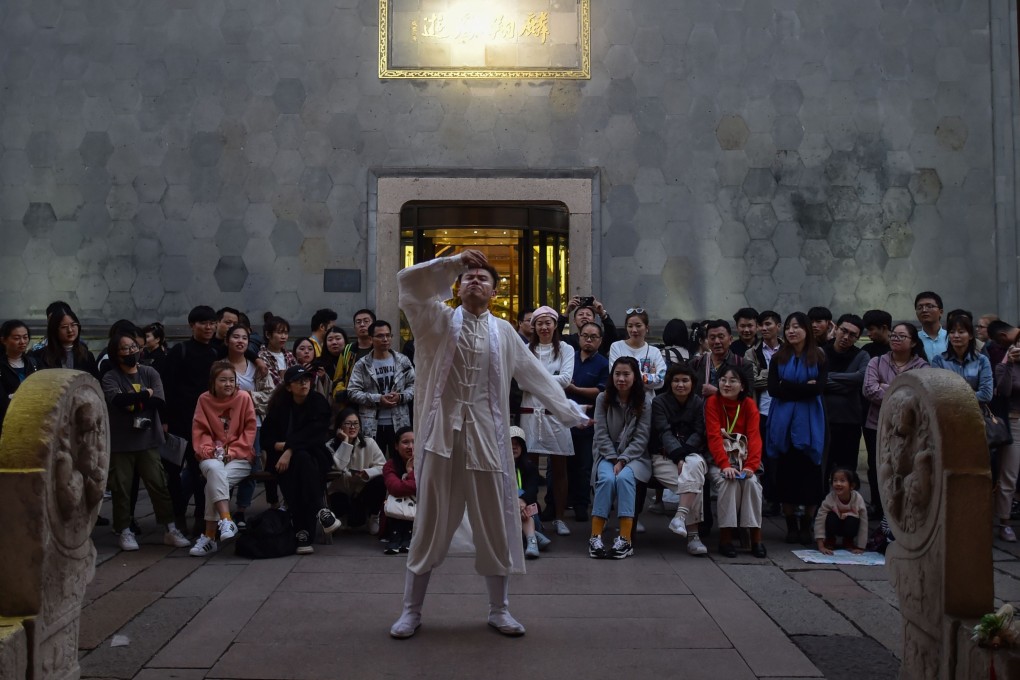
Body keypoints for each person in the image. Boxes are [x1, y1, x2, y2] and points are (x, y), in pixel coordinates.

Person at [391, 249, 589, 639]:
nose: (475, 281)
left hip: (487, 440)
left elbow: (535, 376)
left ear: (496, 292)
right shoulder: (435, 320)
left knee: (497, 523)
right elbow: (408, 284)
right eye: (468, 277)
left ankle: (499, 610)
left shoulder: (504, 332)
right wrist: (453, 262)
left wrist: (569, 412)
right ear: (457, 287)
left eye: (483, 278)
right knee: (429, 522)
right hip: (440, 440)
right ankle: (411, 611)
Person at [101, 332, 190, 552]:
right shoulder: (111, 377)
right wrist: (144, 397)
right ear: (115, 353)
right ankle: (124, 530)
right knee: (122, 488)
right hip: (122, 443)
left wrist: (138, 400)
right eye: (125, 348)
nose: (131, 352)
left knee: (158, 484)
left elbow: (159, 400)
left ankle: (170, 528)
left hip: (149, 440)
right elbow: (118, 401)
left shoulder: (150, 372)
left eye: (134, 347)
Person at [767, 312, 828, 545]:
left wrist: (788, 386)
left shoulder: (819, 357)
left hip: (810, 422)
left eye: (797, 327)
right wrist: (803, 386)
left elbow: (818, 389)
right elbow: (773, 389)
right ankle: (791, 523)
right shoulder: (778, 358)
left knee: (811, 474)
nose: (791, 331)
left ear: (807, 330)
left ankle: (807, 525)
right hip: (782, 421)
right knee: (785, 473)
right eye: (789, 327)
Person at [261, 365, 333, 554]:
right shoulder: (279, 407)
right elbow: (266, 440)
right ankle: (320, 510)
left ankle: (303, 534)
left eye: (307, 380)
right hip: (283, 461)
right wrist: (288, 449)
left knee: (301, 459)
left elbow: (316, 434)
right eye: (299, 380)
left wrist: (290, 449)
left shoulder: (318, 402)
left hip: (314, 456)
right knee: (297, 467)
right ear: (288, 386)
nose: (304, 383)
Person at [189, 361, 256, 557]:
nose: (228, 384)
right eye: (223, 380)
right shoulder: (204, 399)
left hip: (240, 456)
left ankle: (209, 536)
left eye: (231, 380)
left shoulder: (244, 398)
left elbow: (250, 429)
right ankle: (226, 520)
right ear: (213, 382)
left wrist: (233, 451)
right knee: (215, 471)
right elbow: (200, 429)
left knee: (215, 481)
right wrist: (211, 450)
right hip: (211, 455)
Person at [164, 305, 221, 535]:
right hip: (179, 421)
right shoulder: (180, 351)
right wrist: (165, 418)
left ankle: (201, 516)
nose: (208, 327)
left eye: (211, 323)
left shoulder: (215, 353)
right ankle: (177, 516)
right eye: (203, 323)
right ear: (192, 325)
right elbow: (166, 385)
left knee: (202, 472)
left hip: (205, 424)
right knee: (173, 472)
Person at [520, 305, 576, 536]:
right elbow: (521, 382)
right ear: (533, 326)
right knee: (529, 465)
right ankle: (531, 515)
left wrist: (537, 379)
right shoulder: (525, 349)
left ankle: (560, 517)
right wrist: (546, 379)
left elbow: (565, 379)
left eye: (548, 323)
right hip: (530, 413)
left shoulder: (565, 349)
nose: (544, 327)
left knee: (559, 466)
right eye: (539, 323)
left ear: (555, 325)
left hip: (555, 414)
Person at [862, 322, 929, 517]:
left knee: (904, 468)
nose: (896, 340)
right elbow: (869, 390)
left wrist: (886, 387)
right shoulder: (876, 362)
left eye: (901, 336)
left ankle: (902, 509)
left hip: (908, 429)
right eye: (893, 336)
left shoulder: (922, 366)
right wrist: (902, 396)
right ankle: (879, 505)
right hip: (877, 424)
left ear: (913, 342)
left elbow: (920, 395)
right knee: (879, 466)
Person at [589, 357, 651, 559]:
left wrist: (623, 459)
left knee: (625, 478)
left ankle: (625, 540)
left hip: (636, 457)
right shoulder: (602, 398)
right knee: (606, 479)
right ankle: (595, 537)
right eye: (617, 374)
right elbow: (600, 434)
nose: (621, 379)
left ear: (635, 377)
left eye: (626, 374)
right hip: (607, 454)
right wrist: (614, 457)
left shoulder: (644, 403)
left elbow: (641, 439)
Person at [705, 365, 766, 557]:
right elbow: (714, 437)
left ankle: (756, 539)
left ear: (742, 386)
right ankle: (726, 539)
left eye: (733, 381)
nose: (727, 384)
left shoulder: (748, 404)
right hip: (719, 460)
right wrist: (724, 465)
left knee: (752, 484)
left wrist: (751, 466)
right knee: (727, 483)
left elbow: (755, 437)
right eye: (723, 380)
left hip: (745, 459)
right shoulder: (712, 403)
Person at [650, 363, 708, 555]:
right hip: (664, 456)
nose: (680, 384)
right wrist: (677, 455)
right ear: (669, 382)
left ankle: (680, 518)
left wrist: (683, 454)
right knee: (696, 478)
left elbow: (700, 431)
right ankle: (693, 536)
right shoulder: (659, 402)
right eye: (676, 380)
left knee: (696, 464)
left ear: (693, 383)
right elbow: (663, 431)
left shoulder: (698, 402)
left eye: (685, 380)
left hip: (689, 454)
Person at [225, 324, 274, 527]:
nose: (240, 341)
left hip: (254, 424)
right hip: (225, 426)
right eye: (235, 337)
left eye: (244, 338)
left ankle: (241, 510)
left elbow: (269, 394)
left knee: (251, 466)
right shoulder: (220, 365)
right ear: (227, 340)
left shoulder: (257, 366)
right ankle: (222, 511)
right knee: (226, 465)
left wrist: (245, 397)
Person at [347, 319, 415, 456]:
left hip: (400, 422)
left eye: (388, 335)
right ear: (371, 338)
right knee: (374, 464)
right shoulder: (362, 364)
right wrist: (378, 399)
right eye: (380, 336)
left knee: (401, 463)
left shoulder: (402, 361)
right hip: (371, 424)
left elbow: (415, 386)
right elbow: (352, 392)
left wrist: (401, 397)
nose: (385, 339)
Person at [564, 321, 608, 523]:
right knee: (562, 465)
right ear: (578, 337)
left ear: (600, 340)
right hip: (564, 419)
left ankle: (581, 505)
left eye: (593, 337)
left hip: (588, 421)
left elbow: (600, 391)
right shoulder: (568, 358)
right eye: (585, 336)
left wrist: (574, 390)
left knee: (583, 465)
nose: (588, 340)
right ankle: (560, 503)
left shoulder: (603, 364)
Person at [326, 408, 387, 534]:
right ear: (339, 426)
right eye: (348, 423)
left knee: (381, 481)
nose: (352, 427)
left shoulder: (369, 443)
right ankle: (343, 518)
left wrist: (368, 473)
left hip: (361, 491)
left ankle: (373, 517)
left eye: (356, 423)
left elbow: (383, 467)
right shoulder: (330, 445)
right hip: (340, 492)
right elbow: (338, 467)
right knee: (345, 518)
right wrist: (345, 442)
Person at [822, 314, 868, 476]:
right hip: (823, 420)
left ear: (857, 338)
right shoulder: (821, 352)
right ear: (836, 329)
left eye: (852, 335)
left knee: (847, 470)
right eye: (844, 331)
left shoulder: (861, 355)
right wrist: (848, 385)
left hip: (850, 422)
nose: (846, 337)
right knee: (822, 468)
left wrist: (828, 377)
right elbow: (816, 380)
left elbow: (860, 378)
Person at [745, 310, 782, 514]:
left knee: (783, 455)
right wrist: (778, 374)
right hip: (763, 409)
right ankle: (769, 498)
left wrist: (767, 376)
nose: (764, 328)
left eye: (768, 324)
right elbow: (753, 380)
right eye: (761, 325)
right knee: (765, 456)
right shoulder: (752, 352)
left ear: (778, 326)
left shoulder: (789, 348)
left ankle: (783, 497)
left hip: (785, 409)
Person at [994, 331, 1020, 542]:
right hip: (1014, 421)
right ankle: (1004, 521)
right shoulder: (1005, 365)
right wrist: (1009, 363)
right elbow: (1004, 390)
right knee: (1009, 474)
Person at [609, 308, 667, 392]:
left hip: (647, 402)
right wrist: (650, 376)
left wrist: (629, 375)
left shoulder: (654, 352)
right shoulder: (616, 347)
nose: (634, 330)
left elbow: (660, 380)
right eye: (630, 326)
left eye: (638, 325)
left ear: (647, 327)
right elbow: (615, 377)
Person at [509, 426, 545, 559]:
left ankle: (531, 541)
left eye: (517, 444)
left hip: (529, 513)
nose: (514, 447)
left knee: (523, 498)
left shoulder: (530, 467)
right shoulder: (498, 468)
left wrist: (521, 501)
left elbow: (532, 491)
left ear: (522, 447)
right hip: (506, 511)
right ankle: (532, 536)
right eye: (510, 444)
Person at [814, 468, 868, 554]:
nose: (838, 484)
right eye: (835, 480)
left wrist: (860, 547)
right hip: (834, 524)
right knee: (830, 516)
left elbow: (864, 523)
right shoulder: (830, 498)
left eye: (842, 481)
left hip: (849, 526)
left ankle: (848, 541)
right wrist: (821, 546)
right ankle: (830, 539)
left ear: (852, 486)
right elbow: (819, 519)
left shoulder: (858, 499)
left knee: (853, 519)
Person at [0, 320, 39, 438]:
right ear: (3, 340)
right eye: (17, 338)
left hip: (33, 421)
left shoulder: (34, 363)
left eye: (25, 337)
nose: (22, 342)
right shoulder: (2, 366)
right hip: (8, 421)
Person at [34, 306, 98, 376]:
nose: (70, 330)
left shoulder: (87, 356)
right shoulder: (40, 356)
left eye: (73, 325)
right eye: (64, 327)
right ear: (54, 330)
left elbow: (95, 382)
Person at [383, 427, 416, 555]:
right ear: (396, 446)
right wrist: (412, 477)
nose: (410, 446)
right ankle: (396, 538)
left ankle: (407, 538)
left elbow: (424, 489)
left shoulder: (426, 464)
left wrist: (410, 471)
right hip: (394, 513)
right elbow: (395, 489)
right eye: (405, 442)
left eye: (414, 442)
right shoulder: (390, 465)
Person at [915, 291, 948, 359]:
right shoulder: (913, 339)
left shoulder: (951, 338)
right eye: (920, 307)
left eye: (929, 306)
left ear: (941, 312)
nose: (924, 310)